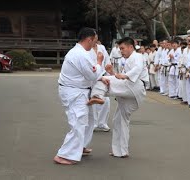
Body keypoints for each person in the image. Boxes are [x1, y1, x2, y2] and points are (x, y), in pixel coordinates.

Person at [88, 37, 149, 158]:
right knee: (119, 121)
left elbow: (134, 71)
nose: (121, 51)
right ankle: (121, 151)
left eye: (122, 48)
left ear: (131, 47)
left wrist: (123, 75)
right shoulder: (127, 60)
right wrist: (112, 72)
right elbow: (120, 78)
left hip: (136, 86)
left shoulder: (137, 56)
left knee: (103, 80)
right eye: (120, 49)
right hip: (132, 90)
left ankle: (98, 95)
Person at [53, 27, 107, 165]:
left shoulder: (83, 52)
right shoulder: (79, 54)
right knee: (78, 121)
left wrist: (99, 76)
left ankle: (80, 146)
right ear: (89, 39)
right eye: (95, 41)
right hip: (74, 92)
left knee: (89, 119)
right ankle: (64, 155)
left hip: (80, 90)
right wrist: (100, 63)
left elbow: (92, 72)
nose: (96, 44)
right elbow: (92, 74)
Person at [90, 35, 112, 132]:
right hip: (92, 77)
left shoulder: (101, 48)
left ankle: (102, 123)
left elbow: (107, 59)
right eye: (94, 37)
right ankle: (94, 123)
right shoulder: (86, 50)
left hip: (103, 75)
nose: (96, 39)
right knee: (94, 100)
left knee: (106, 100)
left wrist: (108, 66)